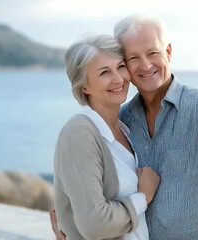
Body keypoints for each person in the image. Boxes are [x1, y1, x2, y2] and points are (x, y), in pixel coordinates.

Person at [52, 14, 198, 240]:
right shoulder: (124, 121)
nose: (145, 65)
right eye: (133, 58)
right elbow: (85, 178)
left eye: (153, 53)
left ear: (169, 52)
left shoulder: (197, 104)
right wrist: (67, 215)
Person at [52, 34, 160, 240]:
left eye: (120, 67)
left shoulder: (127, 128)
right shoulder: (78, 132)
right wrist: (143, 197)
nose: (119, 79)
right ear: (84, 86)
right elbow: (94, 225)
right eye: (104, 72)